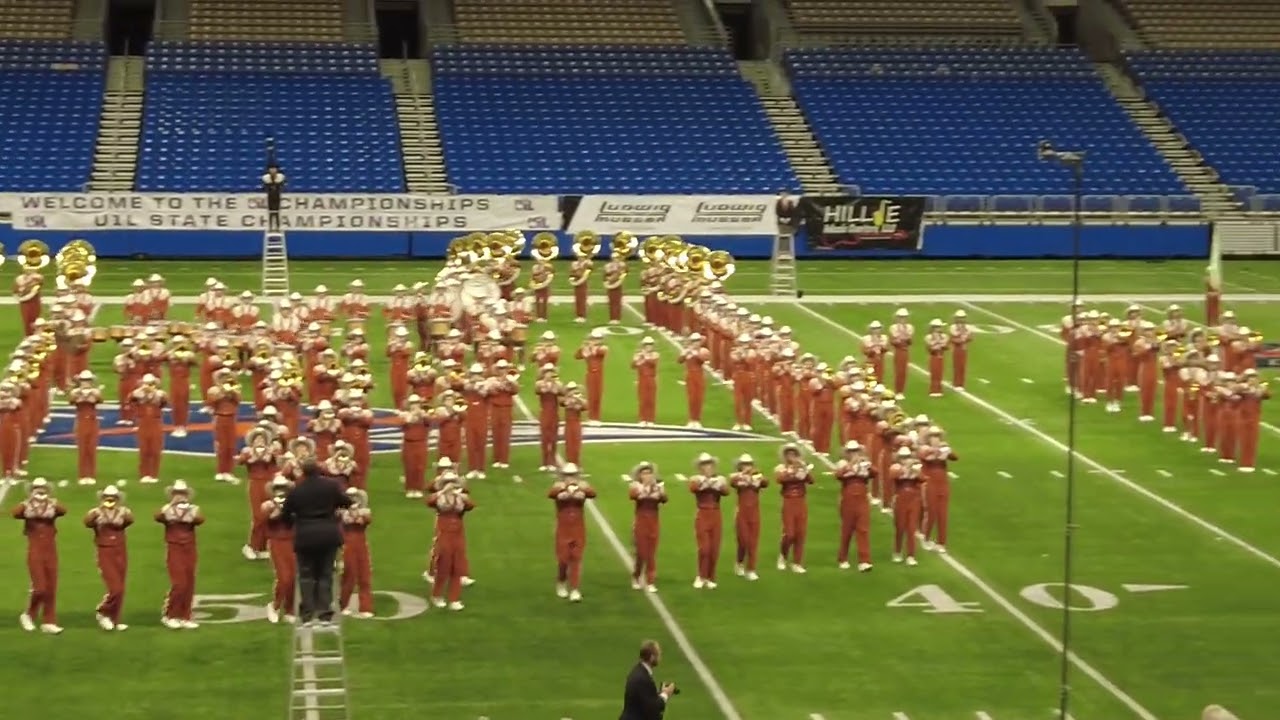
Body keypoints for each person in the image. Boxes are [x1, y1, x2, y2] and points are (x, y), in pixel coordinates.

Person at [282, 458, 352, 626]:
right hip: (328, 535)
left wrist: (294, 522)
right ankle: (325, 614)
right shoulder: (331, 486)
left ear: (303, 472)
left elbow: (285, 515)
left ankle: (307, 615)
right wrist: (333, 512)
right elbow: (347, 502)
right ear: (319, 470)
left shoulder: (296, 491)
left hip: (305, 536)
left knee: (306, 576)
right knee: (325, 574)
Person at [619, 639, 677, 720]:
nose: (660, 657)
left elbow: (645, 700)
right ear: (652, 657)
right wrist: (666, 694)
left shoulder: (637, 671)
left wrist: (660, 694)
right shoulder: (644, 679)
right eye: (659, 654)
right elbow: (653, 709)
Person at [262, 162, 286, 232]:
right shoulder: (265, 178)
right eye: (271, 169)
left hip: (277, 196)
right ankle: (270, 227)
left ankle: (278, 227)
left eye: (274, 169)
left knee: (277, 212)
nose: (273, 171)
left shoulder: (281, 177)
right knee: (270, 212)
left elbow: (283, 186)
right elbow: (264, 188)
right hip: (270, 196)